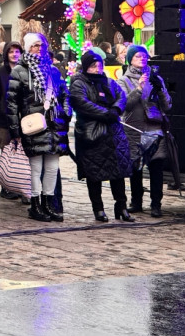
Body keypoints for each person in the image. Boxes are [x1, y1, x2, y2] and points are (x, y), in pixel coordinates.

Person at [7, 33, 70, 222]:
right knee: (35, 168)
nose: (39, 49)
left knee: (52, 167)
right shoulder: (19, 71)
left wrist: (66, 113)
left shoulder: (53, 70)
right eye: (35, 45)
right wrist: (14, 130)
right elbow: (11, 103)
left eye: (41, 45)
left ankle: (48, 203)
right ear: (27, 47)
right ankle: (35, 204)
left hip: (54, 124)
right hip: (33, 124)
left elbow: (64, 94)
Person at [70, 49, 132, 222]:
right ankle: (98, 208)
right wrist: (105, 113)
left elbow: (121, 96)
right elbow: (82, 103)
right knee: (94, 173)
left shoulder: (109, 81)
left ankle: (121, 206)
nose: (97, 69)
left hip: (113, 133)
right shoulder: (79, 83)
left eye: (99, 65)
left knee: (117, 172)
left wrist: (116, 110)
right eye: (93, 66)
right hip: (92, 133)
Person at [119, 46, 173, 218]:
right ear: (130, 59)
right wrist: (139, 88)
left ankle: (156, 204)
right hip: (134, 130)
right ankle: (136, 202)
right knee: (136, 169)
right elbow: (124, 105)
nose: (142, 59)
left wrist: (161, 90)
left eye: (144, 56)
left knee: (156, 168)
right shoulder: (123, 80)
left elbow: (167, 106)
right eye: (137, 56)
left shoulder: (156, 78)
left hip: (155, 129)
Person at [0, 41, 22, 199]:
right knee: (7, 153)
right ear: (6, 54)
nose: (14, 54)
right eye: (11, 52)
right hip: (4, 121)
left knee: (21, 155)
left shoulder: (25, 71)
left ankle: (21, 187)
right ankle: (6, 187)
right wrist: (3, 110)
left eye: (17, 52)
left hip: (23, 120)